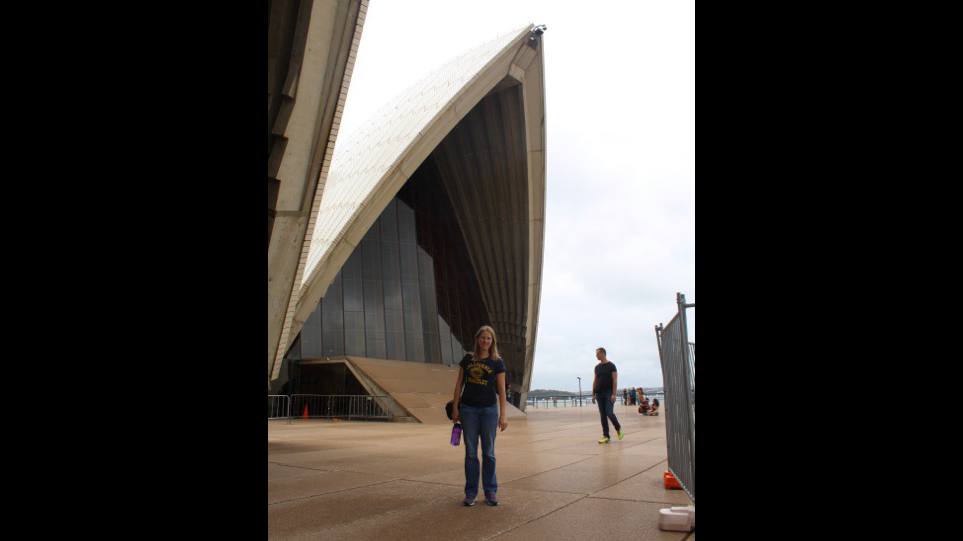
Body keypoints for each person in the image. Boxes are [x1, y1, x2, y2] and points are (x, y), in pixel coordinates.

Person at [451, 325, 507, 507]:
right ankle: (471, 492)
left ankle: (490, 491)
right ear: (477, 340)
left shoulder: (497, 361)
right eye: (482, 338)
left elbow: (501, 389)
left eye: (488, 338)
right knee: (471, 452)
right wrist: (455, 408)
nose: (485, 341)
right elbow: (459, 384)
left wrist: (503, 415)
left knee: (489, 452)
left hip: (489, 410)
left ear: (492, 341)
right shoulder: (468, 359)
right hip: (468, 410)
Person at [591, 347, 623, 443]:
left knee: (609, 413)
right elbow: (595, 380)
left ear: (602, 354)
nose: (596, 356)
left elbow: (615, 380)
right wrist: (593, 394)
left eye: (597, 354)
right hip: (599, 393)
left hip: (609, 393)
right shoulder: (597, 367)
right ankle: (606, 436)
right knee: (602, 415)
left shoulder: (611, 366)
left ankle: (618, 428)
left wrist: (614, 394)